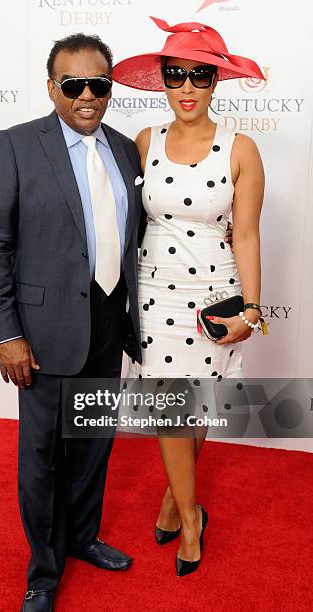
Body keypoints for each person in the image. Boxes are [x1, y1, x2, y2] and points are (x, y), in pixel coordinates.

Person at [0, 33, 146, 612]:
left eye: (99, 84)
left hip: (108, 319)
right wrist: (5, 333)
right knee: (43, 455)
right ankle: (43, 572)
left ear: (110, 86)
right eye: (73, 85)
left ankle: (83, 537)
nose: (87, 96)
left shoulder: (125, 150)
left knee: (93, 442)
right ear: (53, 88)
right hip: (43, 331)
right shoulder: (17, 145)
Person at [113, 17, 265, 576]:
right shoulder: (145, 142)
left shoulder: (241, 149)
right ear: (164, 80)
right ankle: (192, 515)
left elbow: (246, 234)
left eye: (198, 75)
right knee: (170, 409)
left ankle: (176, 498)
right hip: (154, 295)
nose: (186, 87)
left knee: (194, 405)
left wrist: (252, 308)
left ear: (215, 82)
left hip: (215, 294)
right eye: (175, 75)